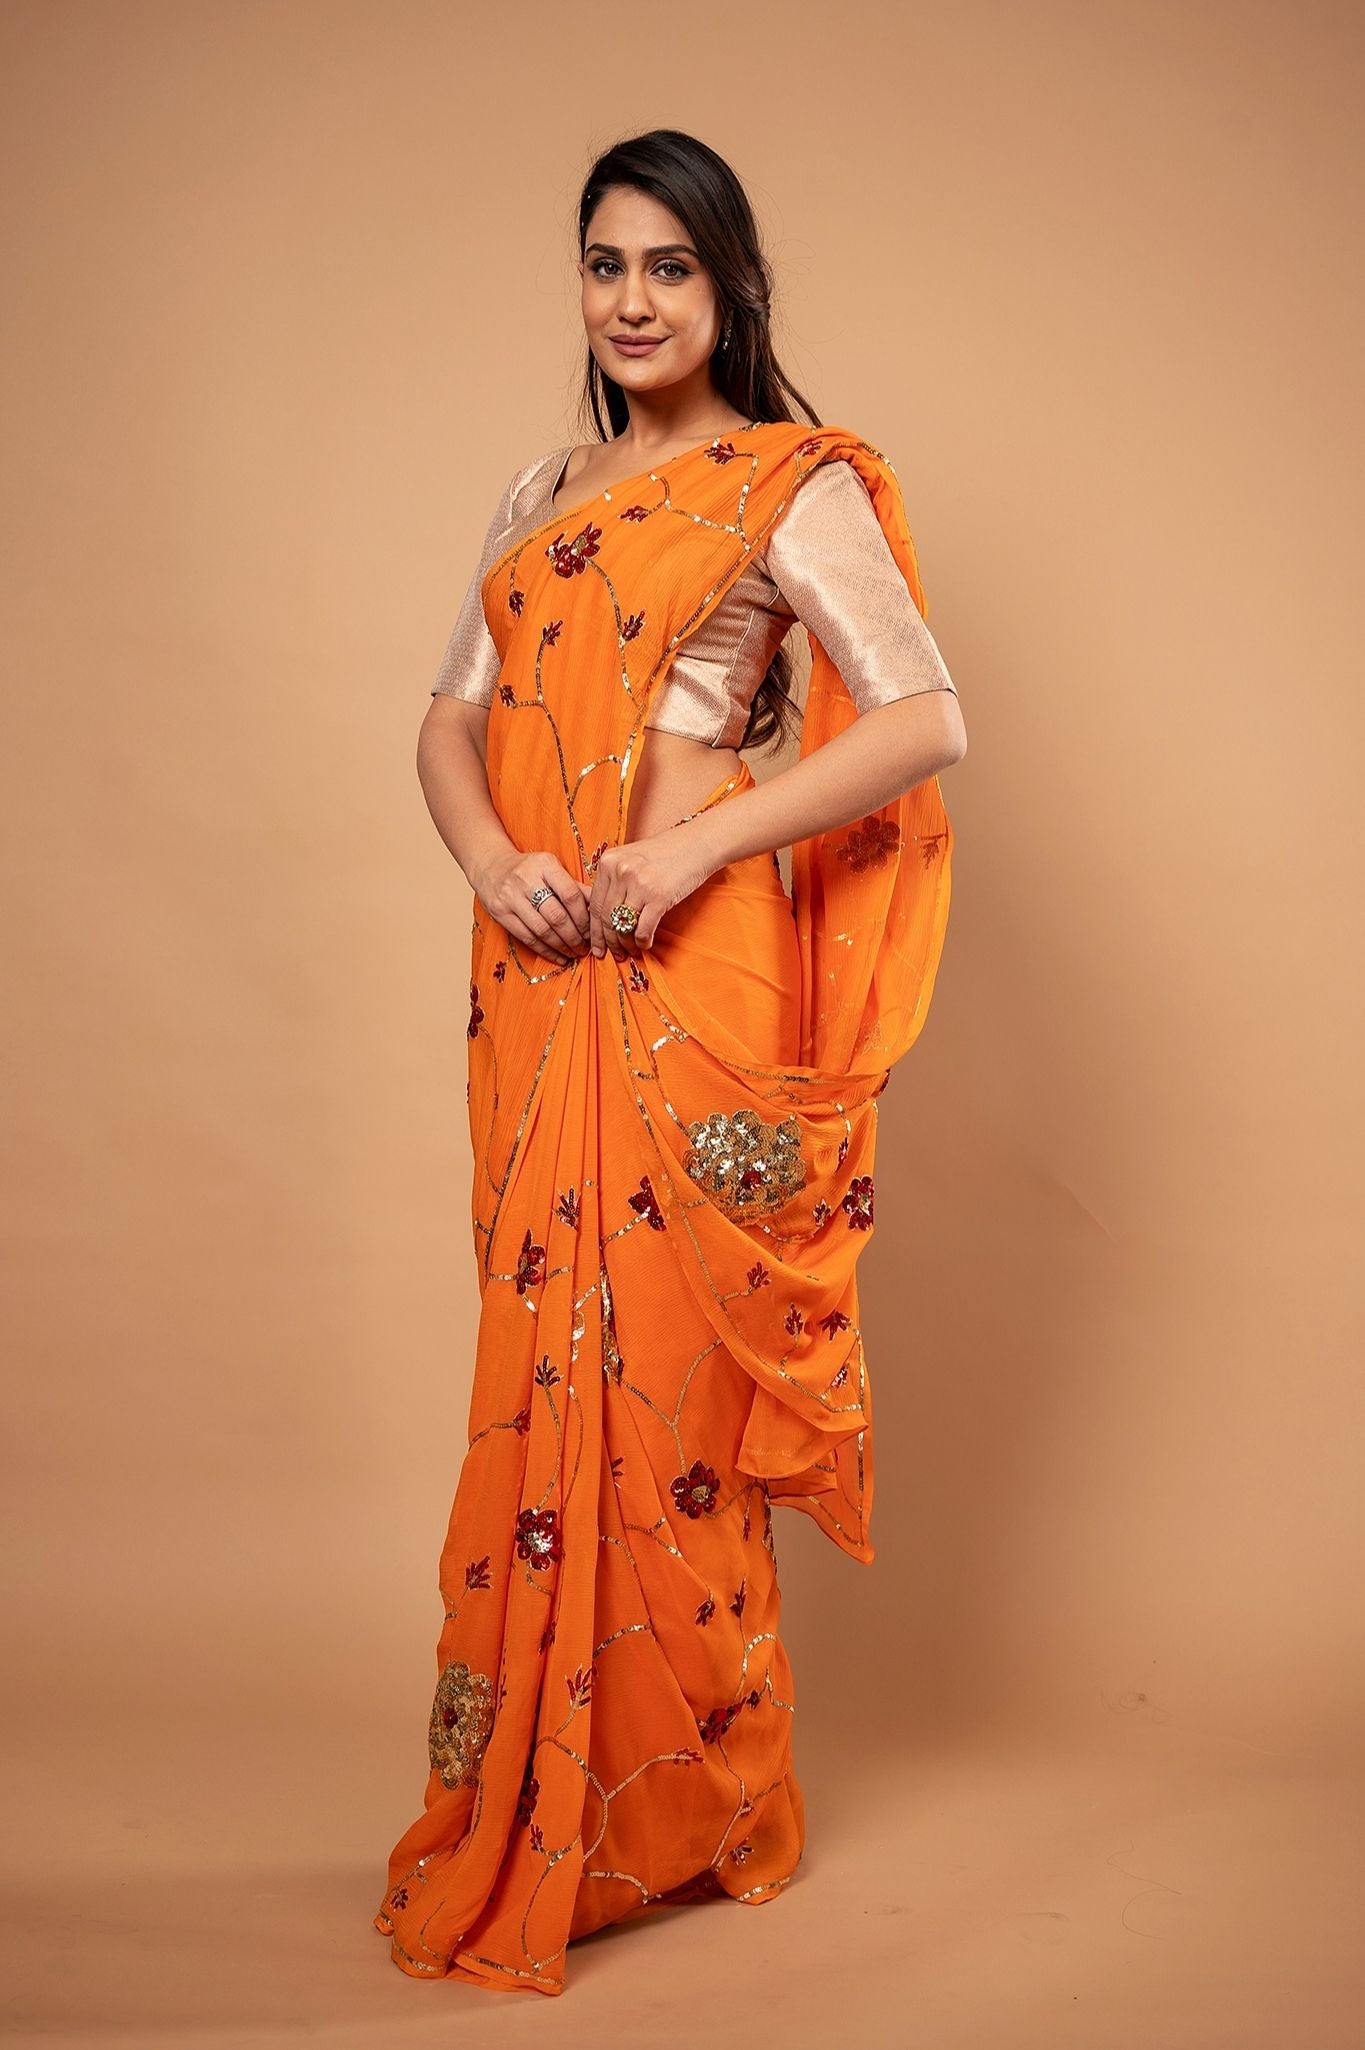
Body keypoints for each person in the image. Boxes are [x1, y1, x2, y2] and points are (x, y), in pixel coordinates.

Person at [374, 127, 968, 1997]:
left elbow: (924, 716)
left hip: (690, 971)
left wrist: (694, 847)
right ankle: (545, 1792)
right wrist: (497, 864)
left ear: (730, 289)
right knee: (550, 1357)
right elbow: (446, 722)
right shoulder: (540, 488)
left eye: (669, 267)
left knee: (666, 1390)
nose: (631, 301)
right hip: (541, 963)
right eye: (603, 263)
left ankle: (681, 1800)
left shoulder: (787, 480)